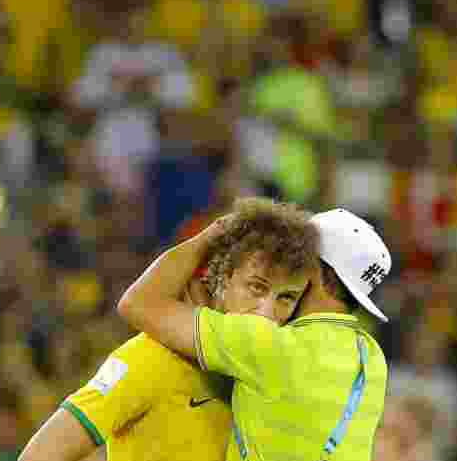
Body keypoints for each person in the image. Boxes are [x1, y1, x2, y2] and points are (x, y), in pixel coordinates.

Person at [19, 197, 321, 461]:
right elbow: (40, 455)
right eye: (256, 287)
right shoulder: (149, 358)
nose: (267, 313)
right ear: (222, 279)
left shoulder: (268, 376)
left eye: (286, 298)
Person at [116, 207, 391, 461]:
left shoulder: (266, 343)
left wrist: (209, 237)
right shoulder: (373, 359)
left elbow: (138, 303)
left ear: (312, 272)